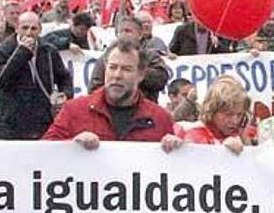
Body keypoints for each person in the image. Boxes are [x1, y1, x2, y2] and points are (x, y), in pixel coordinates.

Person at [42, 37, 177, 148]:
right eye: (113, 67)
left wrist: (176, 150)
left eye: (126, 69)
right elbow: (41, 153)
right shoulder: (74, 111)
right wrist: (71, 144)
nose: (117, 75)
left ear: (141, 75)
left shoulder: (160, 118)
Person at [0, 12, 73, 140]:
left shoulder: (48, 50)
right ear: (17, 28)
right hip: (12, 123)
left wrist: (66, 94)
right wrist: (22, 53)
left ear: (40, 30)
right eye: (25, 28)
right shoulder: (3, 49)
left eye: (33, 28)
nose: (29, 33)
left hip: (41, 120)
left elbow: (64, 77)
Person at [88, 16, 170, 102]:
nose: (124, 35)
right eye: (121, 32)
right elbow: (94, 87)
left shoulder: (150, 56)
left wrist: (135, 72)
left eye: (128, 31)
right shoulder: (107, 57)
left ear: (140, 35)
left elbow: (161, 80)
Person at [172, 76, 251, 154]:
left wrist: (245, 141)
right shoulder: (185, 130)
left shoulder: (240, 137)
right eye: (228, 114)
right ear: (212, 110)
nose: (235, 121)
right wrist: (168, 144)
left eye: (240, 114)